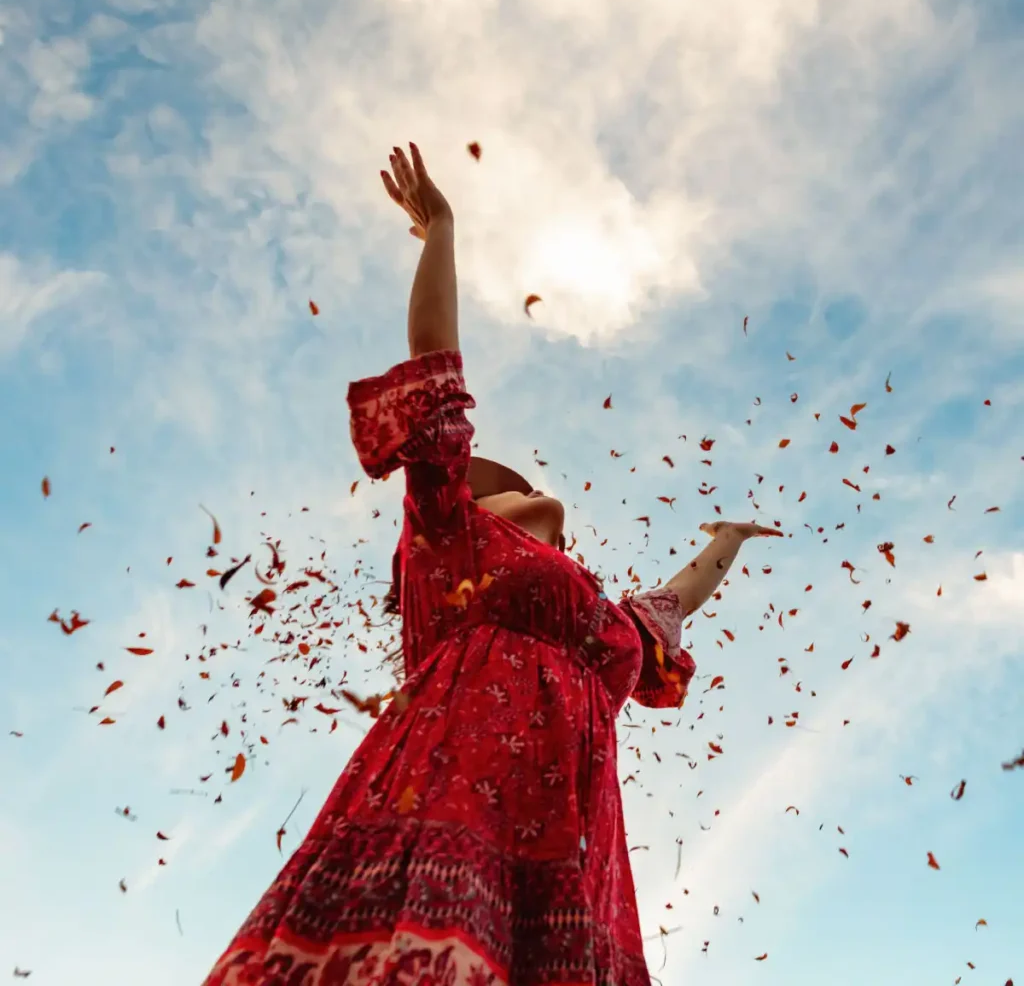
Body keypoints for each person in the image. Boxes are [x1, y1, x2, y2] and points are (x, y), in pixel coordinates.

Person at [204, 143, 781, 986]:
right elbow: (438, 362)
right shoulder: (450, 540)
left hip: (572, 849)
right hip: (453, 791)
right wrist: (442, 228)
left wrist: (728, 537)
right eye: (497, 483)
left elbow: (677, 600)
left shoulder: (598, 625)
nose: (523, 487)